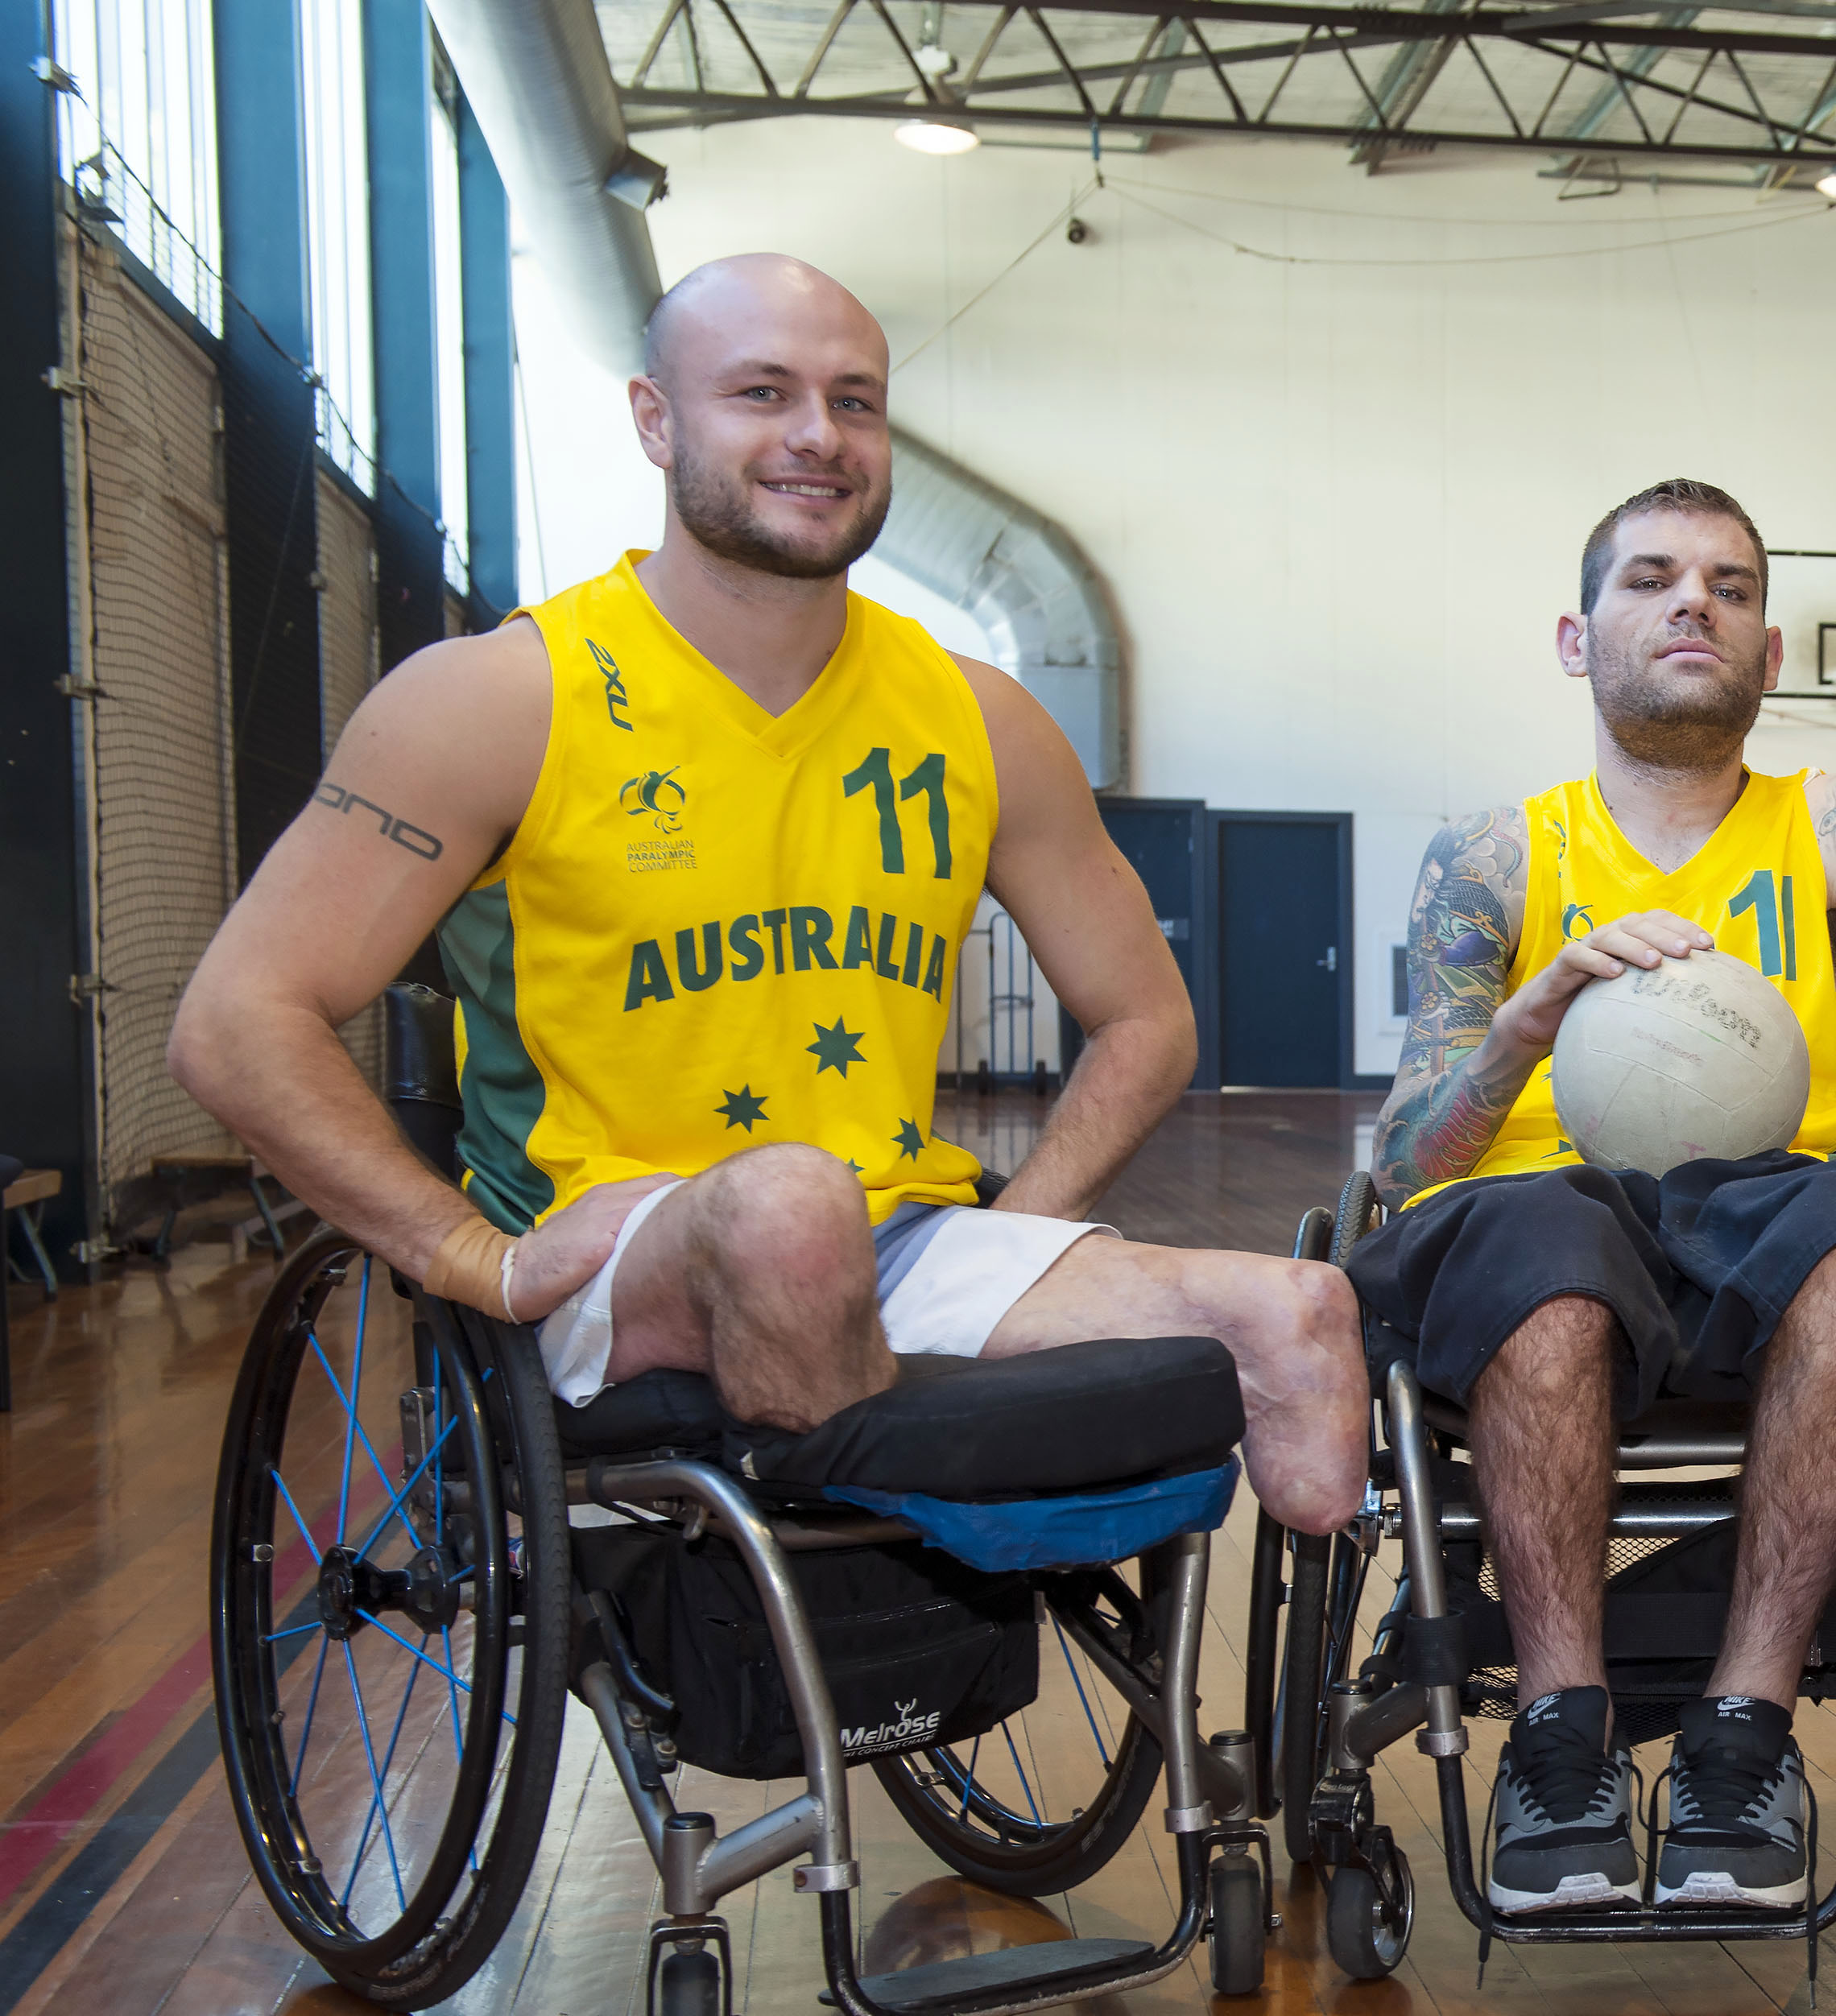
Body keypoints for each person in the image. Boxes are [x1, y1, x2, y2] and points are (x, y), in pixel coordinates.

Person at [169, 254, 1367, 1537]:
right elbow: (238, 1022)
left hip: (891, 1237)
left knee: (1300, 1312)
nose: (818, 435)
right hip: (609, 1256)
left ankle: (1327, 1741)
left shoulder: (978, 719)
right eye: (761, 391)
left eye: (855, 401)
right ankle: (865, 1634)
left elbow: (1146, 1023)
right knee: (791, 1205)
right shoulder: (499, 698)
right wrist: (477, 1260)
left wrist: (1017, 1231)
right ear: (654, 418)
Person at [1354, 477, 1836, 1913]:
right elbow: (1400, 1169)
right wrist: (1521, 1027)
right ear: (1577, 640)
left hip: (1763, 1218)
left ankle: (1745, 1734)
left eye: (1727, 583)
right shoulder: (1495, 853)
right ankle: (1560, 1734)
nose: (1691, 602)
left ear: (1773, 652)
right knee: (1548, 1247)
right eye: (1648, 579)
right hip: (1536, 1213)